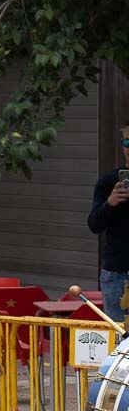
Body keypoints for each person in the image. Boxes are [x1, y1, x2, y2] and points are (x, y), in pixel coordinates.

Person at [88, 121, 129, 322]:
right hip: (117, 274)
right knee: (120, 341)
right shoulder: (108, 182)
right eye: (127, 142)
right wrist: (110, 203)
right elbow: (94, 225)